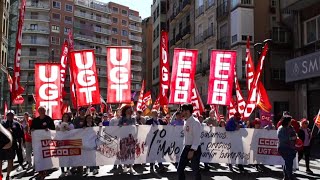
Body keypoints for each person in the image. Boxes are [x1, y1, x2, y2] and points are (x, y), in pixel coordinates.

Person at [177, 104, 201, 180]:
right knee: (180, 169)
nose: (181, 113)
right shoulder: (185, 121)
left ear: (187, 111)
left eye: (183, 111)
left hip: (194, 149)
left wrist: (192, 150)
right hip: (186, 147)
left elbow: (197, 138)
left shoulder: (195, 122)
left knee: (195, 171)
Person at [30, 106, 55, 180]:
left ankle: (45, 170)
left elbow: (53, 129)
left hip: (46, 142)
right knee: (39, 156)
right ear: (38, 111)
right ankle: (40, 172)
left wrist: (49, 129)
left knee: (46, 155)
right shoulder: (35, 120)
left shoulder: (49, 119)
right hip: (38, 142)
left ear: (45, 111)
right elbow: (31, 129)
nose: (41, 111)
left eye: (42, 110)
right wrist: (33, 129)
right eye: (40, 110)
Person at [1, 110, 25, 174]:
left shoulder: (17, 124)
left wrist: (21, 142)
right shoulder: (2, 123)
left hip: (13, 144)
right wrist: (6, 131)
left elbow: (20, 134)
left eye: (11, 115)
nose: (10, 116)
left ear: (13, 116)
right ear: (6, 116)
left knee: (12, 159)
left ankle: (9, 175)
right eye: (8, 115)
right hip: (4, 144)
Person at [277, 115, 297, 180]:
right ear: (287, 121)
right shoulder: (281, 128)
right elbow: (282, 138)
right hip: (284, 148)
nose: (291, 122)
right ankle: (289, 176)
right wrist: (291, 138)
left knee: (287, 162)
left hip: (291, 148)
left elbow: (294, 134)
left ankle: (286, 176)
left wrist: (296, 137)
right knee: (288, 163)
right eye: (290, 121)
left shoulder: (291, 127)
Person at [118, 105, 136, 174]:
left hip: (131, 138)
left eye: (130, 109)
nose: (129, 111)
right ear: (125, 111)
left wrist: (136, 126)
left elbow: (135, 126)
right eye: (128, 109)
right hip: (124, 139)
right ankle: (125, 166)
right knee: (124, 152)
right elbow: (118, 126)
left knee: (131, 152)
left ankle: (131, 167)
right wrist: (121, 126)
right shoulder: (122, 119)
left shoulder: (133, 118)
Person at [56, 113, 74, 177]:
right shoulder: (59, 124)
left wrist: (68, 129)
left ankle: (68, 169)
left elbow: (73, 132)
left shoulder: (71, 124)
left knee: (68, 156)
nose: (65, 118)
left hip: (68, 142)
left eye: (67, 117)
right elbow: (56, 131)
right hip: (61, 143)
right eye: (64, 117)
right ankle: (62, 171)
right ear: (62, 118)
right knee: (61, 157)